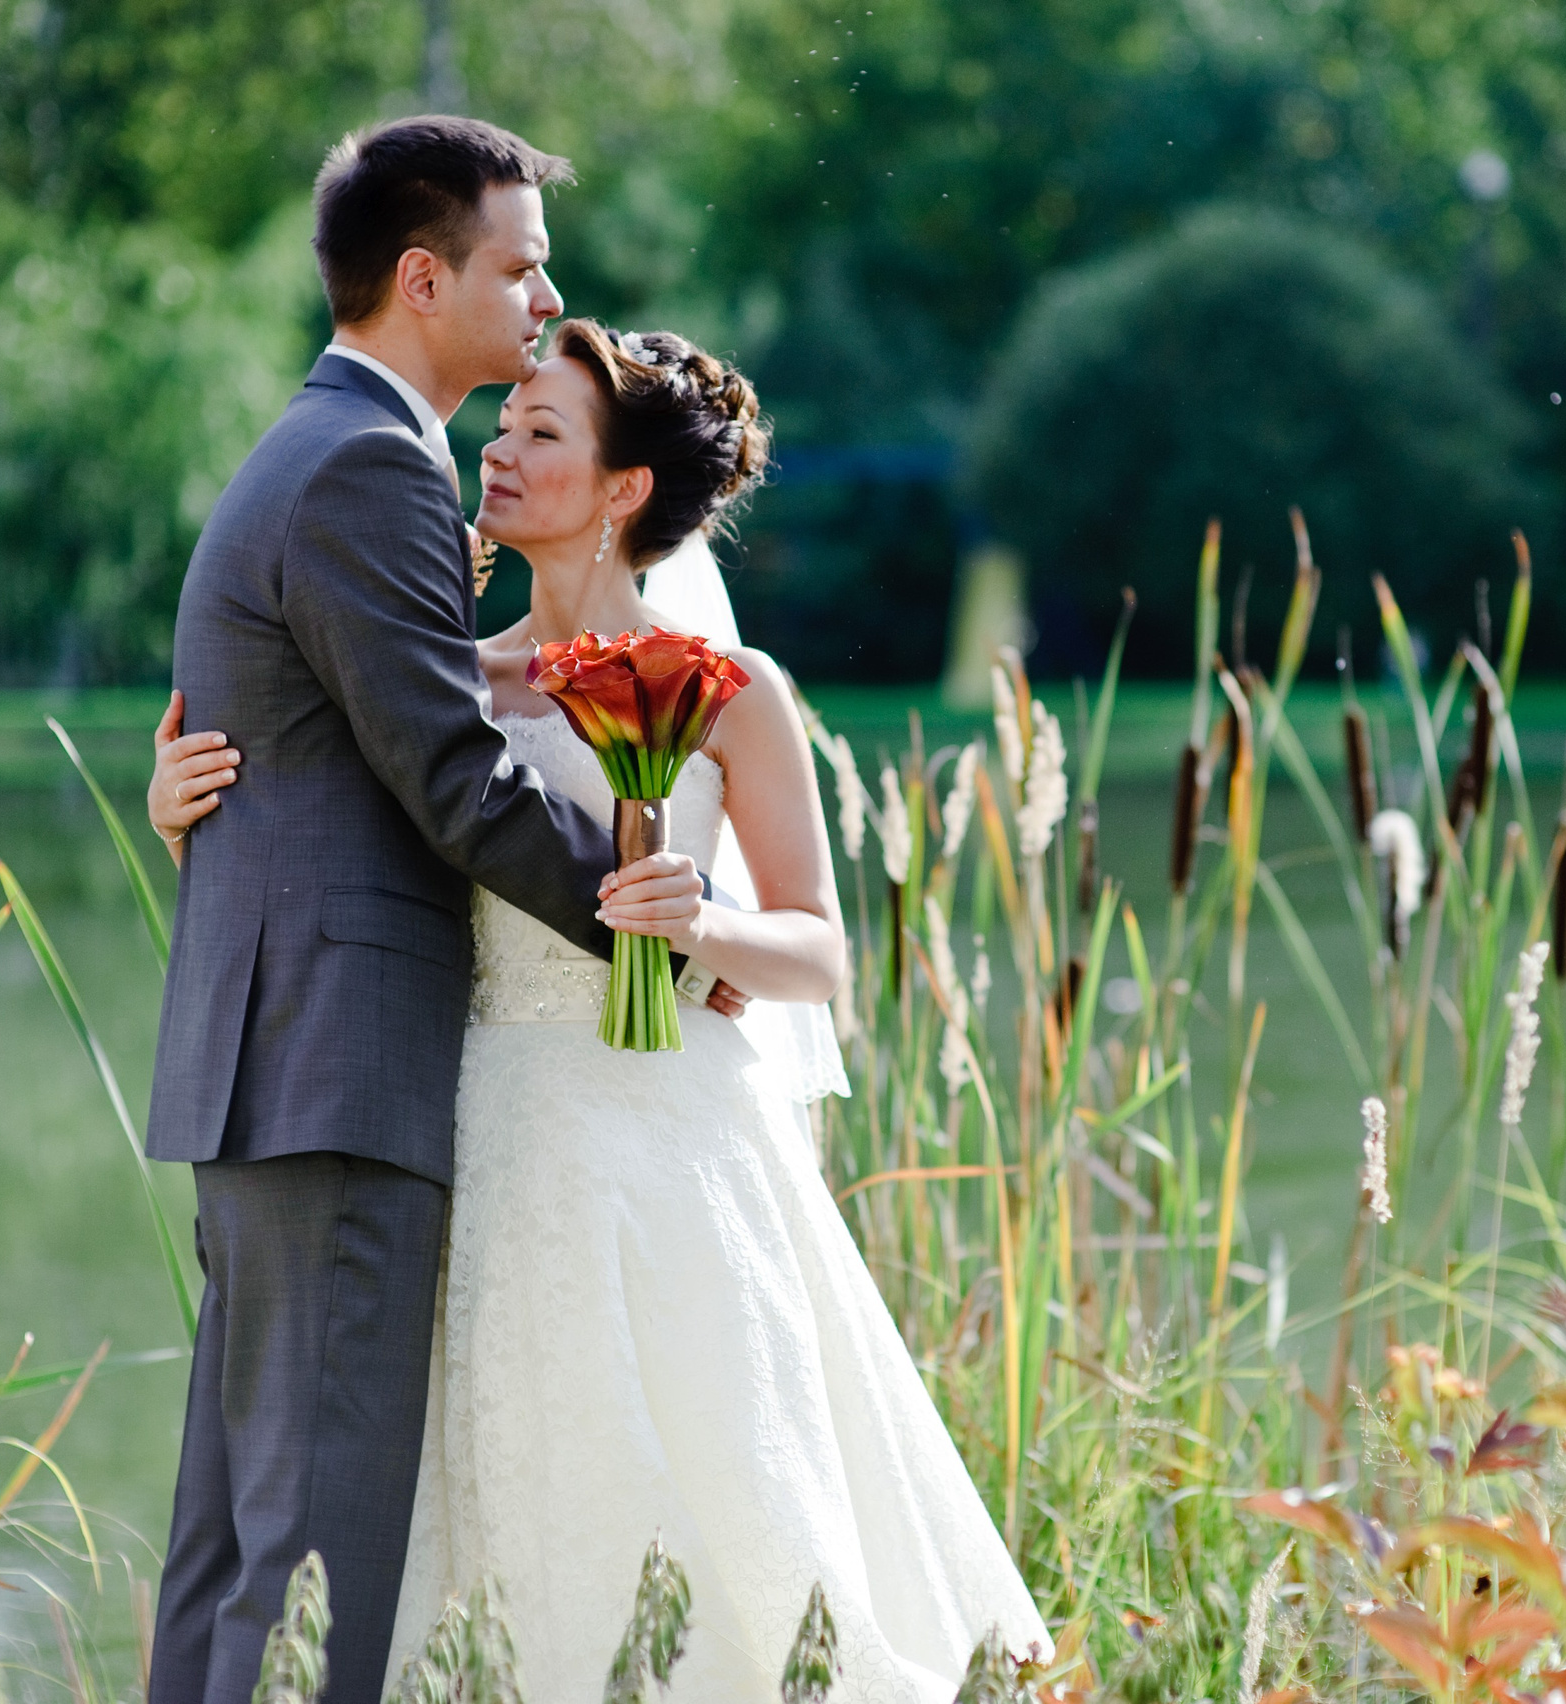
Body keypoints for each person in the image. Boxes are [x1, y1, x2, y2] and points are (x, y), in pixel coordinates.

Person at [151, 322, 1049, 1699]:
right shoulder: (443, 678)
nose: (495, 449)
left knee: (710, 1493)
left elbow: (818, 952)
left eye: (540, 432)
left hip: (675, 1148)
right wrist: (189, 818)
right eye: (502, 422)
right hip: (475, 1124)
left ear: (624, 489)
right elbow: (323, 855)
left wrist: (703, 925)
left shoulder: (737, 696)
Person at [141, 116, 725, 1704]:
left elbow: (310, 725)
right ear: (423, 276)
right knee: (312, 1560)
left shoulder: (317, 450)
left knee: (240, 1544)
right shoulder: (371, 467)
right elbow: (455, 784)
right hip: (333, 1069)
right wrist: (652, 930)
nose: (546, 298)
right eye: (519, 265)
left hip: (281, 1061)